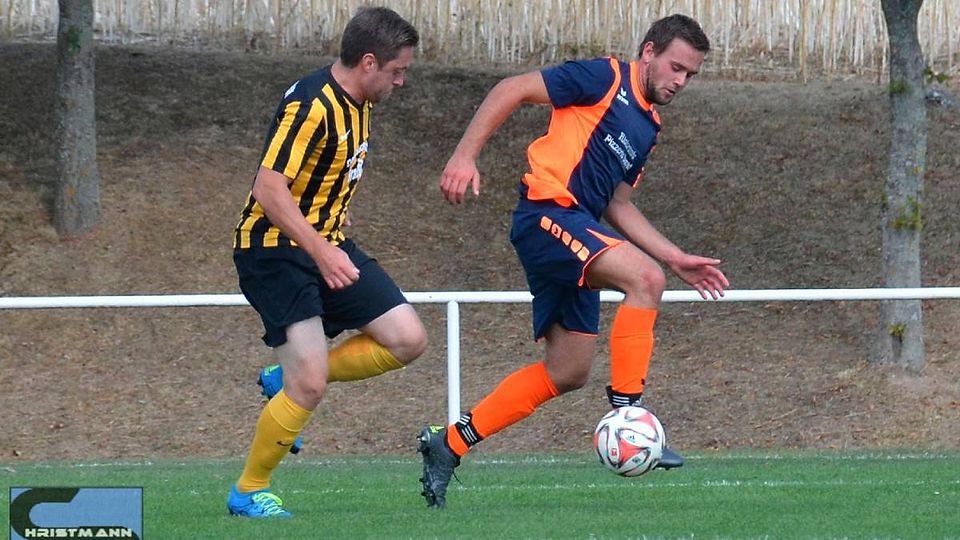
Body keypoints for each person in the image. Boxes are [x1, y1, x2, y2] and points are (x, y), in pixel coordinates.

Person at [418, 14, 728, 509]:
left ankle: (449, 444)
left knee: (568, 370)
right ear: (649, 52)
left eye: (690, 74)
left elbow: (618, 205)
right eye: (676, 67)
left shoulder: (648, 128)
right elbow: (513, 89)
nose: (680, 81)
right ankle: (629, 417)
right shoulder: (603, 77)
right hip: (547, 214)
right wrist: (464, 155)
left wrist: (674, 257)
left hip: (578, 229)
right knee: (645, 280)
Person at [226, 6, 426, 518]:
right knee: (310, 383)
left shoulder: (360, 102)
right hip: (273, 252)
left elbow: (320, 172)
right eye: (397, 70)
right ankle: (248, 491)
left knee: (408, 339)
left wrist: (332, 216)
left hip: (324, 242)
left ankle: (282, 380)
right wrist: (321, 250)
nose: (401, 82)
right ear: (368, 62)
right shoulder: (312, 104)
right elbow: (268, 187)